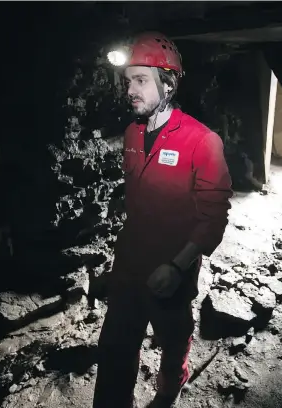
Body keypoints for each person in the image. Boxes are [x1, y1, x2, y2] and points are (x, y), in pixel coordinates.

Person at [93, 32, 233, 408]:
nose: (130, 91)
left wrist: (177, 265)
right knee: (114, 349)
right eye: (128, 82)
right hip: (129, 265)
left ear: (168, 84)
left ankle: (170, 386)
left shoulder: (202, 141)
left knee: (172, 337)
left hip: (172, 267)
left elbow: (214, 215)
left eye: (141, 81)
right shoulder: (131, 134)